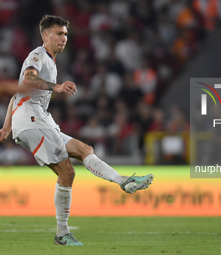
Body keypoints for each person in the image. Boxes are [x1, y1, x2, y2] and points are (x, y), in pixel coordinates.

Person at [0, 15, 153, 246]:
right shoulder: (38, 55)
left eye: (66, 34)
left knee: (84, 149)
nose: (64, 38)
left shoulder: (50, 60)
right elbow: (29, 79)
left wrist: (6, 125)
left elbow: (17, 92)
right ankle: (62, 234)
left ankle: (123, 181)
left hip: (38, 119)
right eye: (59, 34)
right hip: (33, 120)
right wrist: (57, 86)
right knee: (67, 172)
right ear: (46, 35)